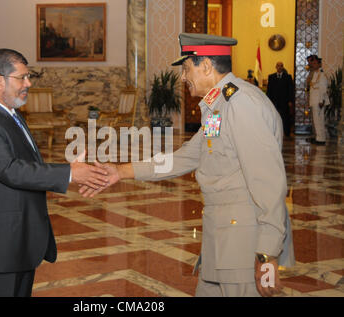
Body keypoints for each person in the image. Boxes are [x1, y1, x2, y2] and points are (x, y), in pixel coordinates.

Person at [80, 33, 295, 297]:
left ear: (206, 66)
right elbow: (186, 156)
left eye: (186, 68)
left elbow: (269, 182)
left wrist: (267, 255)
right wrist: (121, 171)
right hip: (222, 233)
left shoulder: (242, 104)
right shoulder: (220, 106)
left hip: (244, 242)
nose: (183, 77)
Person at [0, 48, 109, 297]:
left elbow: (24, 165)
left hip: (17, 241)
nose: (28, 83)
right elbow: (10, 170)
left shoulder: (9, 114)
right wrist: (69, 173)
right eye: (22, 77)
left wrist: (68, 169)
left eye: (29, 77)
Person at [266, 62, 295, 138]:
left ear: (283, 67)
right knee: (274, 117)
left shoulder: (288, 77)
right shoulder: (271, 76)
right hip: (274, 101)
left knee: (285, 118)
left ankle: (287, 133)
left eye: (281, 66)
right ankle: (273, 132)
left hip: (284, 101)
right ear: (276, 67)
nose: (279, 67)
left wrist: (290, 101)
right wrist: (268, 101)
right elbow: (269, 90)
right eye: (278, 66)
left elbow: (290, 90)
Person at [306, 55, 329, 145]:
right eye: (312, 63)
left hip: (318, 101)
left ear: (319, 64)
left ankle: (321, 139)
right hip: (314, 100)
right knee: (316, 120)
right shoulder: (316, 73)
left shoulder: (321, 74)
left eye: (315, 63)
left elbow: (323, 89)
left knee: (319, 120)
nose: (313, 64)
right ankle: (319, 138)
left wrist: (321, 100)